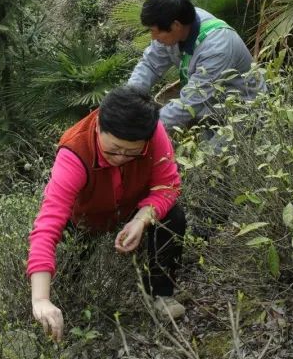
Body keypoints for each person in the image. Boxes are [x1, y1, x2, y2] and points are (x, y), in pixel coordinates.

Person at [28, 86, 187, 341]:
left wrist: (141, 219)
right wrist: (41, 299)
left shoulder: (152, 131)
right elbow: (47, 225)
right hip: (86, 217)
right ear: (99, 124)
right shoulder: (74, 152)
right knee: (70, 267)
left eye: (132, 152)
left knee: (173, 218)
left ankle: (161, 293)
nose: (121, 157)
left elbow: (167, 185)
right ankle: (61, 310)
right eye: (113, 149)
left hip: (133, 204)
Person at [128, 0, 266, 133]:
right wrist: (128, 99)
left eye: (155, 31)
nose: (153, 37)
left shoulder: (217, 48)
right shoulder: (177, 22)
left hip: (244, 113)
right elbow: (150, 64)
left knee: (212, 154)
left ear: (176, 26)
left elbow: (189, 104)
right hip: (210, 106)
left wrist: (143, 130)